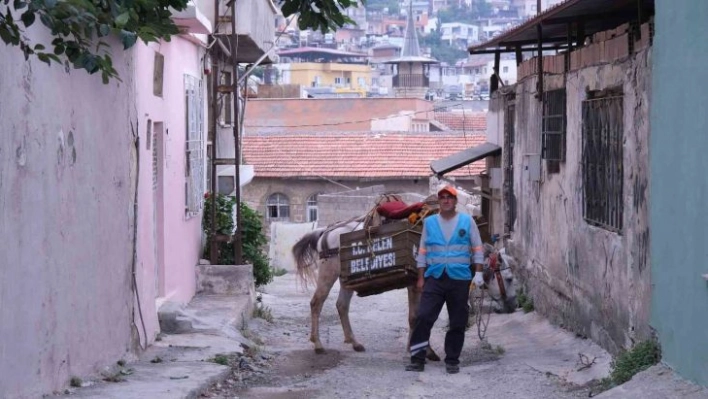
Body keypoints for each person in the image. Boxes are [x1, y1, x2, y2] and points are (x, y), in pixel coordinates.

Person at [405, 185, 485, 374]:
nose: (446, 200)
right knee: (423, 316)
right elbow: (423, 251)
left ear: (456, 201)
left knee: (458, 320)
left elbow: (477, 248)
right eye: (443, 198)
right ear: (439, 201)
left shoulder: (467, 222)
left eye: (450, 197)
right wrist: (420, 278)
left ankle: (452, 360)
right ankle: (417, 359)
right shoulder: (430, 222)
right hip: (435, 277)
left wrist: (479, 273)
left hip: (459, 278)